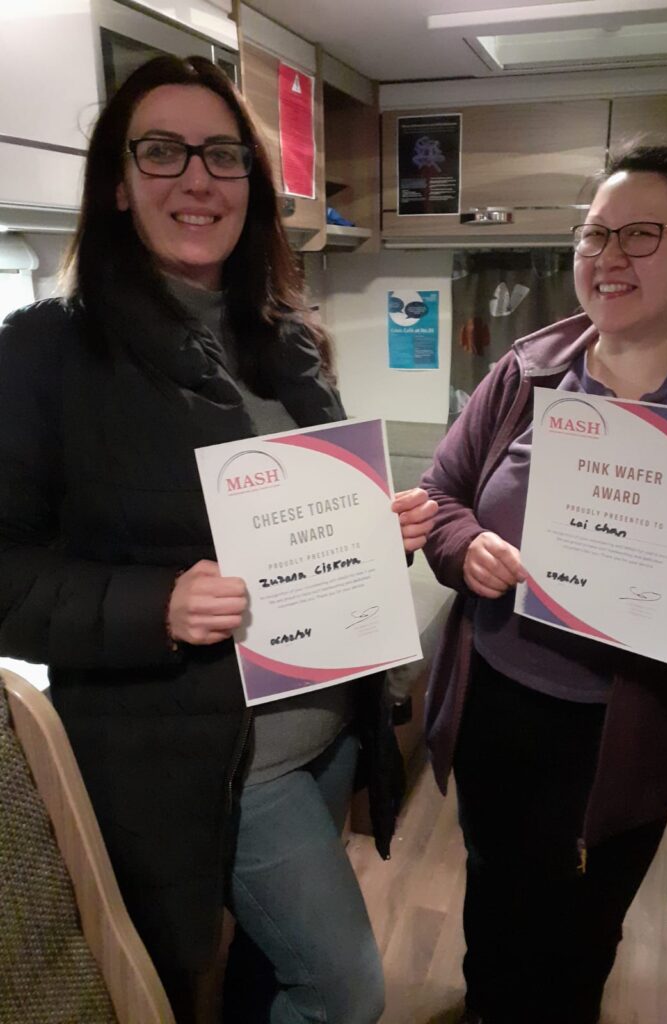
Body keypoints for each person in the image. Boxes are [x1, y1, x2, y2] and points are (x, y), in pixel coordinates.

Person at [0, 56, 436, 1024]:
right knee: (343, 987)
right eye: (161, 152)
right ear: (116, 183)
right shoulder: (45, 351)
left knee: (266, 975)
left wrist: (374, 534)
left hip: (323, 732)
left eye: (223, 155)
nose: (196, 179)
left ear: (251, 184)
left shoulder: (285, 338)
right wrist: (155, 605)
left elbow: (295, 529)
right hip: (207, 754)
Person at [420, 145, 667, 1024]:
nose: (609, 256)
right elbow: (440, 496)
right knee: (494, 904)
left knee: (581, 934)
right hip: (500, 699)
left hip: (621, 728)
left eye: (642, 234)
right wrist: (467, 550)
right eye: (594, 234)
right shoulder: (528, 369)